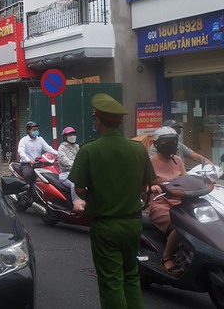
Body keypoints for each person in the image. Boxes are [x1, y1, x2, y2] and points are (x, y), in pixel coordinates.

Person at [69, 93, 155, 309]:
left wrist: (98, 197)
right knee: (131, 276)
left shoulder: (88, 150)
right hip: (134, 224)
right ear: (119, 122)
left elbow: (79, 188)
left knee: (111, 282)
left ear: (98, 121)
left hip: (106, 226)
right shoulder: (138, 149)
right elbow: (145, 187)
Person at [147, 126, 187, 276]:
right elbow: (140, 185)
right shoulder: (150, 161)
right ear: (157, 144)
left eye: (173, 141)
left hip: (180, 203)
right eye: (166, 142)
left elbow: (186, 180)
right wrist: (152, 188)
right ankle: (166, 257)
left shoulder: (177, 160)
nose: (170, 144)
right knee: (182, 224)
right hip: (159, 204)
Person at [17, 121, 58, 185]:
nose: (36, 131)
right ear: (28, 130)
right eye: (34, 130)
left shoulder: (40, 139)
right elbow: (21, 151)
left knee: (49, 174)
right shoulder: (23, 140)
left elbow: (48, 148)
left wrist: (59, 154)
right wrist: (28, 160)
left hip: (38, 164)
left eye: (37, 130)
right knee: (28, 175)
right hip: (27, 164)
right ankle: (29, 192)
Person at [57, 126, 80, 204]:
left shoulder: (77, 147)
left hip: (78, 173)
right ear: (65, 137)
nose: (72, 136)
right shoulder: (61, 148)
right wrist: (76, 166)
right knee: (75, 185)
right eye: (70, 135)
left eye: (73, 134)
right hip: (66, 174)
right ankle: (75, 205)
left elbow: (81, 158)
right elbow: (64, 161)